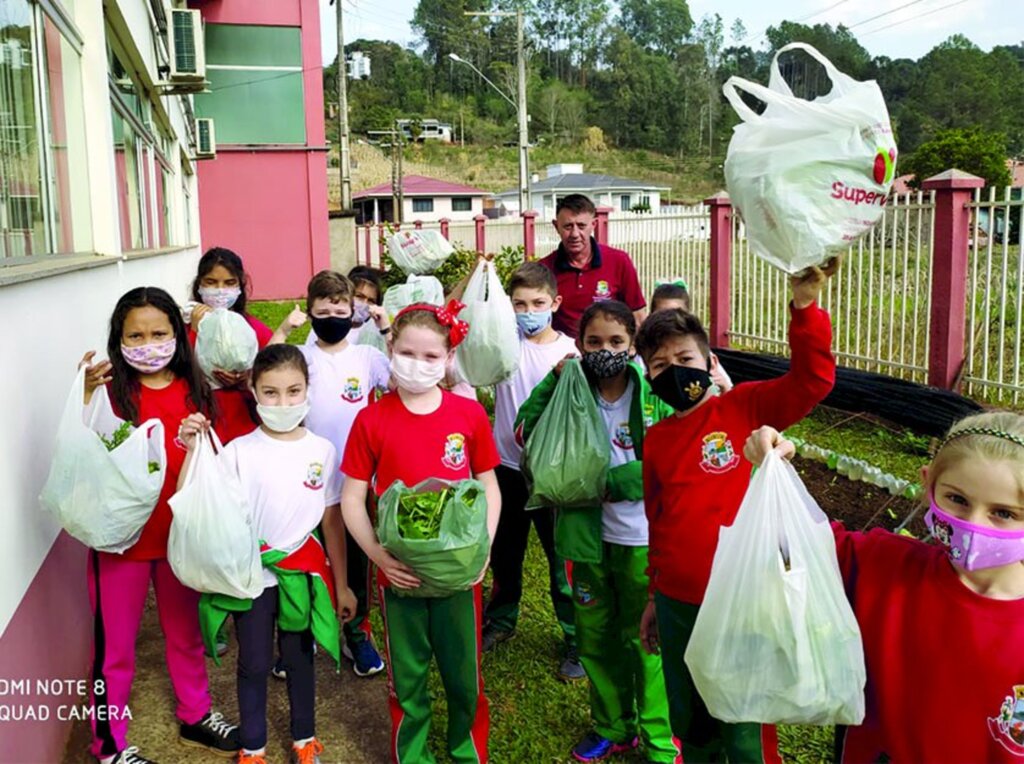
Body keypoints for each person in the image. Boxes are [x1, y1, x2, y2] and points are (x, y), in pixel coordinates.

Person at [635, 262, 838, 762]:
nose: (675, 370)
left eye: (685, 357)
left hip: (743, 600)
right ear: (647, 375)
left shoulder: (743, 406)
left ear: (709, 362)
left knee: (744, 723)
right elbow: (658, 522)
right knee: (693, 720)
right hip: (679, 603)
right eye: (660, 366)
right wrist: (654, 597)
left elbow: (812, 381)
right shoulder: (658, 439)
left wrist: (805, 307)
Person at [743, 411, 1024, 763]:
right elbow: (799, 543)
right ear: (929, 485)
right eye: (958, 500)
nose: (973, 524)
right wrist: (772, 466)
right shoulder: (882, 565)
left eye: (1004, 513)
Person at [78, 287, 240, 764]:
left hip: (181, 539)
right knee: (115, 647)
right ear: (119, 339)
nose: (148, 343)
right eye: (136, 335)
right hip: (121, 542)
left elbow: (217, 461)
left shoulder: (197, 391)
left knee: (186, 633)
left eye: (159, 333)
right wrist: (84, 394)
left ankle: (196, 715)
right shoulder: (108, 393)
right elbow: (82, 450)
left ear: (178, 335)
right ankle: (109, 746)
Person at [178, 344, 358, 764]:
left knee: (299, 661)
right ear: (254, 392)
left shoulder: (323, 451)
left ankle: (304, 740)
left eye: (294, 391)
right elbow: (197, 498)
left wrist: (342, 585)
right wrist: (192, 451)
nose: (283, 402)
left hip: (303, 575)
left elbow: (332, 523)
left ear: (308, 390)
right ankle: (253, 747)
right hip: (253, 576)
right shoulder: (239, 451)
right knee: (254, 663)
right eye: (271, 392)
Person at [515, 300, 677, 763]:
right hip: (586, 538)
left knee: (646, 640)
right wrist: (553, 378)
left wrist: (617, 482)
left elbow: (674, 456)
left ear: (632, 345)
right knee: (596, 636)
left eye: (615, 342)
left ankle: (660, 740)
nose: (604, 350)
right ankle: (612, 726)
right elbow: (525, 431)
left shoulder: (653, 391)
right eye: (593, 342)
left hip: (643, 539)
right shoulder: (570, 386)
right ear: (578, 345)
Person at [340, 302, 502, 764]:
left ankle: (466, 751)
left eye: (431, 357)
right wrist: (378, 556)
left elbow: (489, 485)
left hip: (458, 576)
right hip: (400, 577)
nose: (418, 363)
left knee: (463, 676)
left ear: (449, 358)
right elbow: (352, 498)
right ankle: (411, 756)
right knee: (406, 679)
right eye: (408, 352)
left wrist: (482, 547)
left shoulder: (467, 415)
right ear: (390, 348)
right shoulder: (371, 419)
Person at [272, 271, 391, 678]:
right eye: (322, 310)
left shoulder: (367, 356)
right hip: (307, 475)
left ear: (353, 311)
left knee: (358, 558)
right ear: (310, 313)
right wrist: (284, 329)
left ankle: (357, 633)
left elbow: (402, 379)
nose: (332, 315)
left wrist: (387, 327)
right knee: (305, 555)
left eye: (340, 308)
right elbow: (265, 370)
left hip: (357, 476)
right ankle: (297, 639)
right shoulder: (303, 358)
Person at [482, 262, 580, 679]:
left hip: (554, 474)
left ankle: (577, 636)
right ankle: (501, 621)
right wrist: (479, 277)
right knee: (505, 554)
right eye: (518, 304)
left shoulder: (572, 353)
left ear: (555, 303)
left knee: (563, 560)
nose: (528, 312)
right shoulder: (503, 346)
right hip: (505, 468)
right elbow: (456, 313)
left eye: (538, 303)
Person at [186, 247, 267, 445]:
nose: (220, 290)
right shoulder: (184, 327)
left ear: (240, 286)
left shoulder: (254, 330)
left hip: (244, 421)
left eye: (229, 283)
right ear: (199, 285)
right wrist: (195, 332)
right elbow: (177, 370)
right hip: (200, 422)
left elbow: (273, 370)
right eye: (211, 283)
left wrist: (247, 378)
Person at [538, 194, 647, 338]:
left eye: (581, 226)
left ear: (594, 225)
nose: (575, 234)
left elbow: (637, 315)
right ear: (556, 226)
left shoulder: (619, 261)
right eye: (568, 226)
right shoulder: (544, 270)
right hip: (563, 355)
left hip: (609, 351)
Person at [649, 279, 732, 393]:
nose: (668, 320)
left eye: (685, 359)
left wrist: (724, 388)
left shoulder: (699, 351)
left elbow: (725, 386)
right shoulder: (646, 351)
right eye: (660, 364)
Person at [304, 265, 391, 348]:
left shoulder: (373, 333)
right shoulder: (326, 327)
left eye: (371, 301)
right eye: (359, 296)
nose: (364, 303)